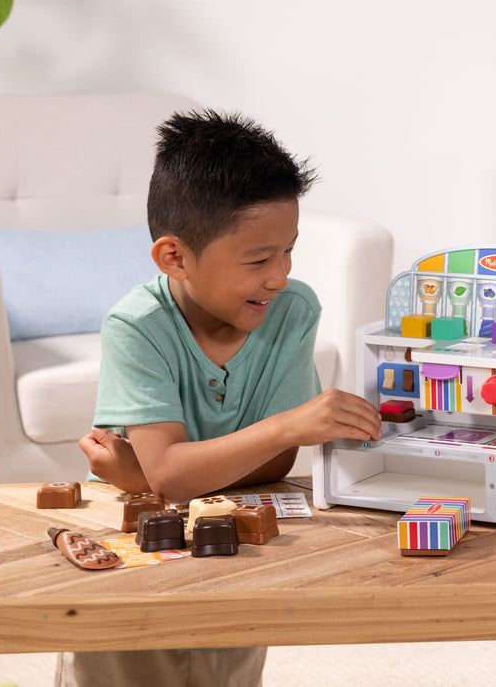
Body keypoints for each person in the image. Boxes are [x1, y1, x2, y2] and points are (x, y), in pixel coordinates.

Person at [56, 109, 382, 687]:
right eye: (258, 259)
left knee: (225, 666)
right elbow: (181, 476)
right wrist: (285, 426)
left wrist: (150, 472)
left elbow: (273, 469)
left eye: (288, 251)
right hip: (136, 568)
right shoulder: (137, 325)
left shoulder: (292, 310)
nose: (280, 275)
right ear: (174, 257)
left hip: (229, 560)